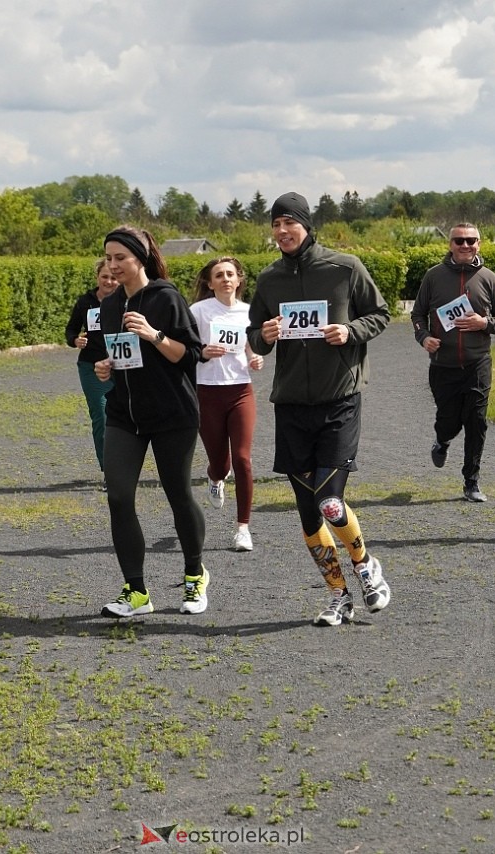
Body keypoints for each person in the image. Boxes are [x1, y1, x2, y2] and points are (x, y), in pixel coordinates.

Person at [247, 192, 392, 627]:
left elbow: (380, 314)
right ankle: (338, 596)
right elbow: (254, 337)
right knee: (309, 512)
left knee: (329, 501)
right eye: (275, 224)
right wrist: (264, 336)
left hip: (339, 400)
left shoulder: (344, 267)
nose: (281, 231)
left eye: (289, 222)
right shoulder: (269, 279)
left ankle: (365, 566)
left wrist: (349, 331)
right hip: (291, 405)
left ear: (307, 226)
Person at [92, 226, 208, 616]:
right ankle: (136, 591)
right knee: (118, 496)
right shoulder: (109, 306)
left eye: (120, 258)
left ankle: (195, 575)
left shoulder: (166, 297)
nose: (113, 266)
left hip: (172, 413)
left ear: (139, 259)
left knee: (179, 495)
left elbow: (191, 355)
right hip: (124, 414)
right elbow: (117, 355)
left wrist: (153, 335)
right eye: (108, 258)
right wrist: (106, 367)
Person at [411, 223, 495, 503]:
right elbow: (418, 314)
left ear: (479, 243)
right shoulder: (433, 276)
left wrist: (484, 323)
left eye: (471, 240)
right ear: (450, 244)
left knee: (476, 421)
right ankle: (442, 440)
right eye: (459, 241)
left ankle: (471, 482)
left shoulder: (488, 278)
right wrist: (424, 337)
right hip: (442, 366)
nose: (465, 245)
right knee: (449, 421)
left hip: (477, 364)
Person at [189, 257, 264, 552]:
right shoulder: (198, 311)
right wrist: (203, 351)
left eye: (230, 274)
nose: (225, 279)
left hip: (241, 391)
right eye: (219, 275)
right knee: (221, 465)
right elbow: (185, 347)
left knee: (243, 459)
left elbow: (251, 347)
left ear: (239, 279)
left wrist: (255, 358)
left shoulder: (249, 312)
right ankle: (215, 477)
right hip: (207, 393)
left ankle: (243, 528)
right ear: (210, 283)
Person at [65, 258, 120, 484]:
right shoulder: (85, 302)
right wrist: (75, 340)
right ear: (97, 277)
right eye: (104, 276)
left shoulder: (127, 300)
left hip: (122, 366)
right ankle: (110, 472)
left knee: (127, 419)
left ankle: (126, 467)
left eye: (113, 278)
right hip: (91, 367)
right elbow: (70, 330)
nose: (109, 281)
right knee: (102, 417)